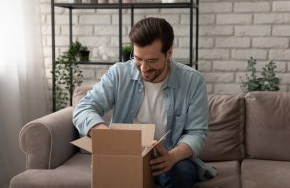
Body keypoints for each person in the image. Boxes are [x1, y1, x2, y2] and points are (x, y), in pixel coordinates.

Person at [73, 17, 217, 188]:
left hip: (170, 157)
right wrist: (105, 134)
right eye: (138, 58)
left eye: (152, 61)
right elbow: (83, 108)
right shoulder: (119, 73)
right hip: (125, 155)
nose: (144, 68)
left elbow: (197, 132)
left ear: (169, 52)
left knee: (182, 173)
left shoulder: (193, 81)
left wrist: (173, 156)